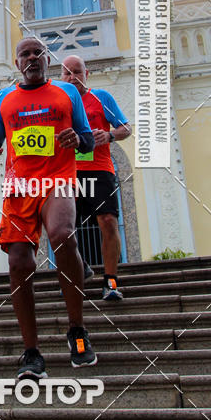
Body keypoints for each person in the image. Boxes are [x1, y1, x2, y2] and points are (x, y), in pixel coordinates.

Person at [0, 36, 96, 379]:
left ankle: (77, 331)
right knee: (18, 262)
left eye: (37, 53)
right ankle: (31, 352)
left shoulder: (67, 93)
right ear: (17, 63)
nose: (31, 58)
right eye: (25, 54)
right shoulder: (3, 99)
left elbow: (86, 139)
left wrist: (77, 139)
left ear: (47, 59)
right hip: (19, 186)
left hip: (58, 178)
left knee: (62, 234)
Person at [61, 54, 132, 301]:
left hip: (100, 169)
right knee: (63, 229)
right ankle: (81, 267)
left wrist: (110, 135)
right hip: (68, 173)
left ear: (86, 74)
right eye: (67, 73)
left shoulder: (101, 97)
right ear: (60, 77)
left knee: (108, 222)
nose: (72, 77)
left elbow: (126, 128)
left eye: (77, 72)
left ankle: (110, 282)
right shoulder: (58, 103)